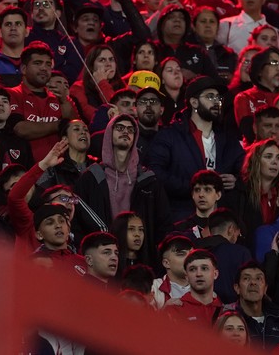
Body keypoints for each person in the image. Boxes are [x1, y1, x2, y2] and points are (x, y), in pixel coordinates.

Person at [147, 75, 244, 220]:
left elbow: (245, 169)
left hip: (219, 221)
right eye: (210, 97)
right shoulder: (170, 135)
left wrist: (236, 180)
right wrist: (193, 187)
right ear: (194, 102)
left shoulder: (227, 139)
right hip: (182, 218)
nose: (216, 102)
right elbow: (156, 172)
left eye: (218, 98)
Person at [74, 114, 169, 243]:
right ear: (109, 133)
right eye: (120, 128)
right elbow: (79, 221)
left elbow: (163, 223)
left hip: (141, 251)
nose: (125, 132)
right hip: (103, 250)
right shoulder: (90, 178)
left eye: (130, 129)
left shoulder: (149, 180)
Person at [224, 261, 279, 348]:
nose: (253, 282)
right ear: (237, 288)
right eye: (246, 278)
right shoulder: (225, 320)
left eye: (258, 278)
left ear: (265, 289)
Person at [164, 249, 223, 325]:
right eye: (192, 269)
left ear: (215, 274)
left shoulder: (225, 311)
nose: (199, 274)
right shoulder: (174, 310)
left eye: (204, 268)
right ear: (187, 277)